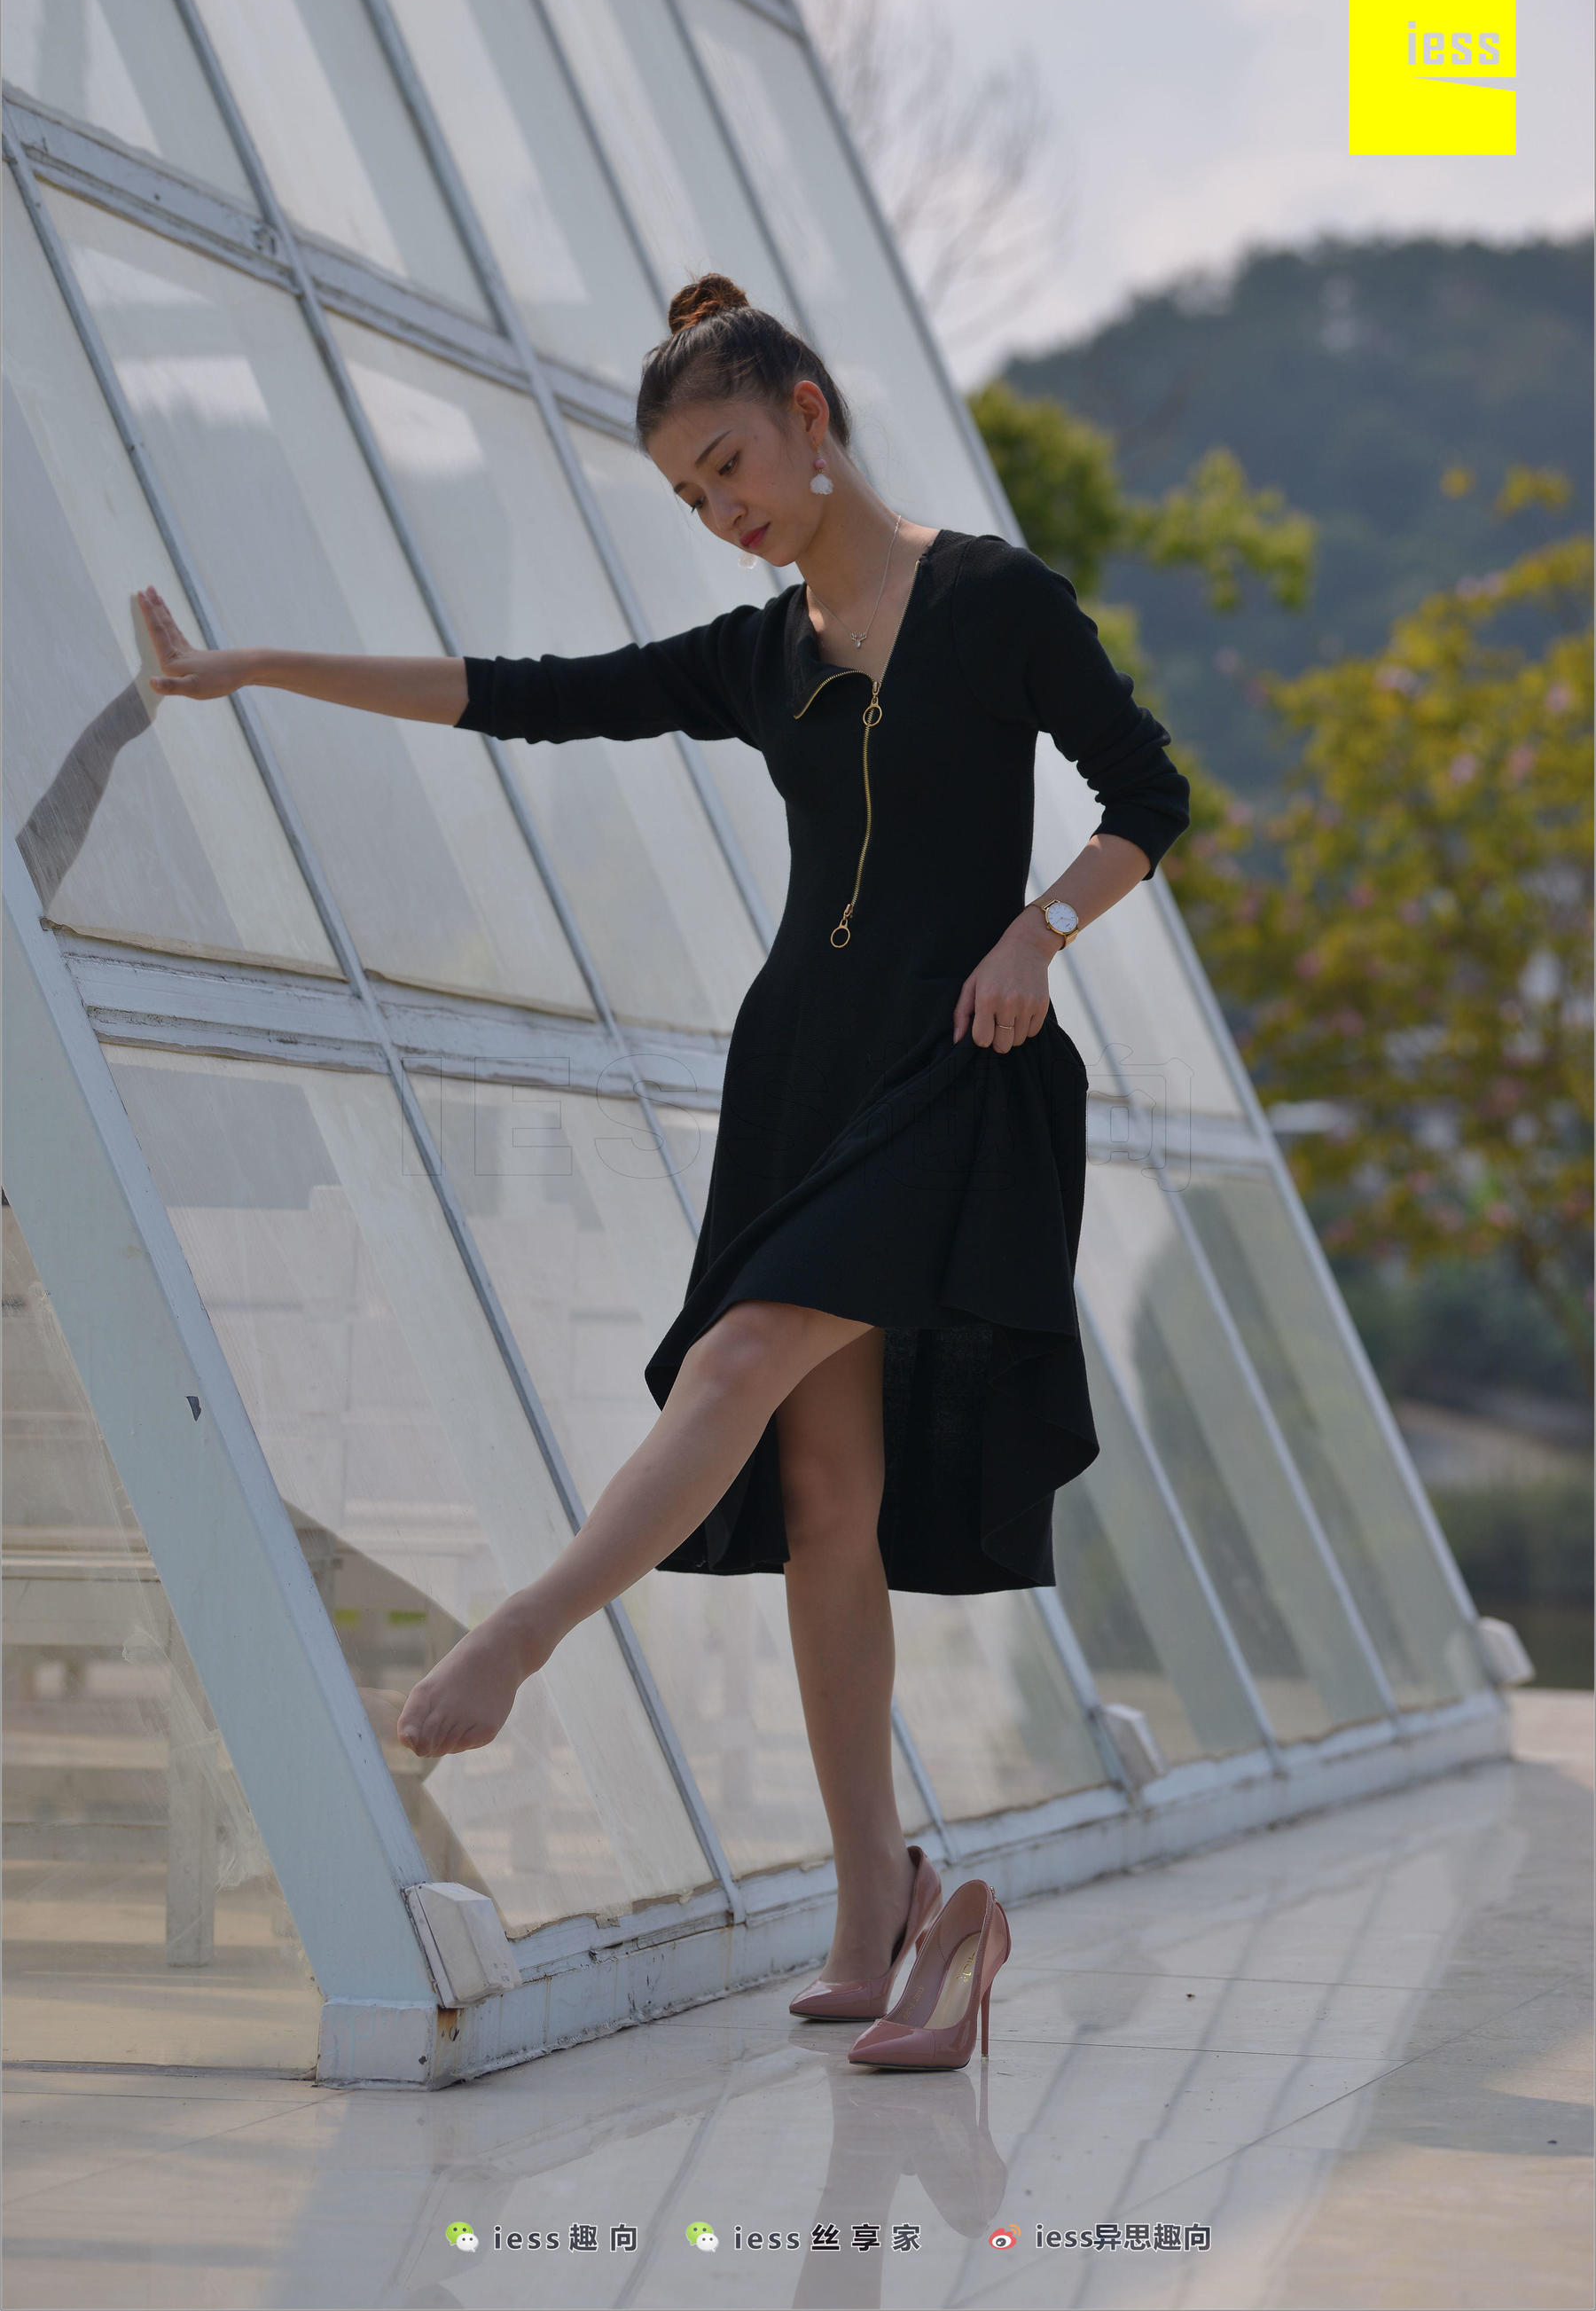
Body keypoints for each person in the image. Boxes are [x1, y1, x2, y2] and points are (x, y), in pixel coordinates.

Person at [135, 271, 1189, 2025]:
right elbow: (518, 694)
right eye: (692, 497)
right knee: (826, 1503)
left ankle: (519, 1633)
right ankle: (880, 1905)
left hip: (961, 1062)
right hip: (801, 1077)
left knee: (742, 1357)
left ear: (808, 416)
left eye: (729, 468)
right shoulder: (757, 655)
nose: (722, 512)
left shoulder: (995, 597)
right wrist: (252, 669)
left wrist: (1038, 933)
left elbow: (1147, 794)